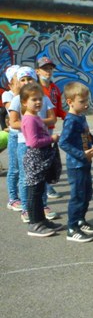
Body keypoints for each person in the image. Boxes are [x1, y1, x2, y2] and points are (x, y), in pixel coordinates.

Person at [8, 66, 58, 223]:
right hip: (25, 143)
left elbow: (53, 118)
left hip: (43, 144)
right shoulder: (17, 99)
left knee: (42, 178)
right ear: (18, 82)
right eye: (22, 80)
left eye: (29, 79)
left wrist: (37, 122)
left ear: (35, 79)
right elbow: (13, 122)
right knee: (26, 178)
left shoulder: (44, 98)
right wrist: (32, 123)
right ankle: (26, 208)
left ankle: (43, 206)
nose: (26, 82)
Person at [19, 83, 63, 237]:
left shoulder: (35, 116)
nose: (38, 102)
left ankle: (41, 220)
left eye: (40, 99)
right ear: (24, 102)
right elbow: (33, 142)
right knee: (34, 192)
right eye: (34, 99)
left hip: (41, 157)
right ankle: (34, 224)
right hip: (35, 158)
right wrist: (51, 138)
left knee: (39, 190)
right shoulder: (29, 119)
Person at [59, 82, 93, 243]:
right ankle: (72, 228)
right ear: (70, 102)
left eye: (86, 100)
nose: (86, 104)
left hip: (85, 163)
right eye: (82, 101)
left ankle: (81, 220)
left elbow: (88, 136)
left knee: (87, 193)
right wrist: (81, 155)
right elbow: (63, 142)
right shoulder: (71, 120)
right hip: (76, 165)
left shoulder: (81, 117)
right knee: (78, 196)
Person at [35, 56, 66, 200]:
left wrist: (70, 116)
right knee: (40, 160)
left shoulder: (54, 89)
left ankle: (46, 187)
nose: (48, 71)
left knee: (47, 159)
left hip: (50, 128)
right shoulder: (34, 89)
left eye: (50, 69)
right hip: (37, 128)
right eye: (44, 69)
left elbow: (58, 109)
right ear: (37, 71)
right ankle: (44, 189)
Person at [3, 65, 22, 211]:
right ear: (11, 82)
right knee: (14, 169)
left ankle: (25, 198)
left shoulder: (28, 94)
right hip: (15, 135)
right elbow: (12, 111)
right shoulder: (7, 95)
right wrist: (17, 93)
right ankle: (12, 198)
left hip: (27, 135)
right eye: (19, 78)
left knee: (25, 170)